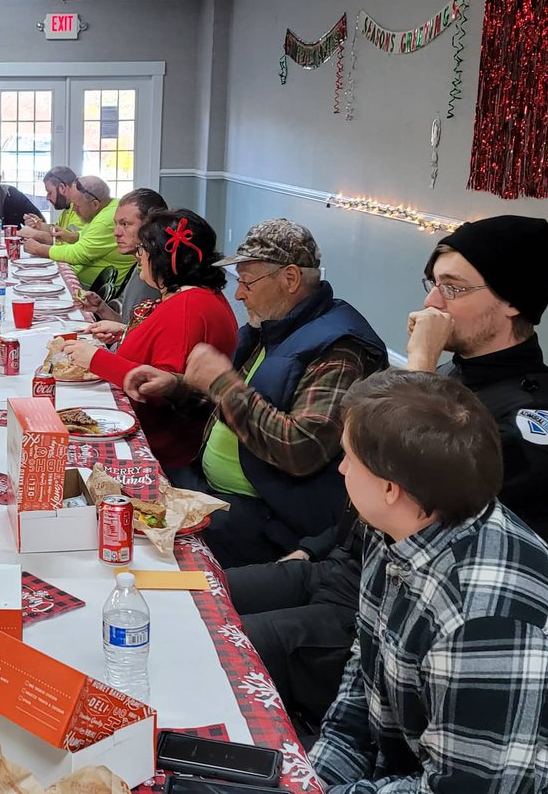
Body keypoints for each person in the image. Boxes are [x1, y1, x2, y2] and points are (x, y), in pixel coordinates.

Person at [228, 214, 548, 729]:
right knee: (196, 596)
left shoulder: (539, 419)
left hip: (402, 609)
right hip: (343, 568)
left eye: (453, 289)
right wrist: (315, 547)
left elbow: (423, 508)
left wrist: (421, 368)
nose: (431, 305)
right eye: (432, 285)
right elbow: (363, 484)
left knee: (214, 645)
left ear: (513, 301)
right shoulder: (451, 374)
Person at [310, 369, 548, 794]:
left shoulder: (491, 620)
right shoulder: (400, 531)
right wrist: (316, 783)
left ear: (393, 487)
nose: (341, 467)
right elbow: (363, 672)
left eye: (349, 456)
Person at [125, 218, 386, 567]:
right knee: (127, 493)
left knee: (140, 552)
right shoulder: (273, 327)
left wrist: (222, 383)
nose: (238, 293)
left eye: (247, 281)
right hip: (213, 487)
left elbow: (302, 448)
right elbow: (232, 406)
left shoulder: (338, 350)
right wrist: (176, 387)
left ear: (290, 279)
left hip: (268, 518)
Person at [63, 210, 237, 468]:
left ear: (163, 259)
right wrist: (125, 331)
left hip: (161, 448)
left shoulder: (187, 307)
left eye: (142, 250)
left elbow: (160, 387)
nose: (138, 256)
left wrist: (96, 359)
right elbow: (165, 340)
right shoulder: (194, 296)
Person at [22, 175, 137, 292]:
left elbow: (78, 254)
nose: (73, 210)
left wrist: (38, 248)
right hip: (86, 281)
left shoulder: (106, 220)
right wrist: (72, 236)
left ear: (95, 204)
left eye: (77, 205)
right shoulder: (109, 206)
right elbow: (91, 235)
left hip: (92, 289)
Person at [75, 187, 167, 322]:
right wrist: (101, 308)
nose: (116, 233)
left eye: (125, 224)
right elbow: (128, 327)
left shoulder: (158, 277)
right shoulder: (140, 264)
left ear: (151, 227)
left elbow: (138, 338)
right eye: (116, 224)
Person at [22, 165, 81, 243]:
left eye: (50, 192)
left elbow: (67, 241)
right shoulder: (67, 209)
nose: (47, 197)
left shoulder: (80, 210)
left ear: (62, 188)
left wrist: (35, 234)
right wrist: (38, 225)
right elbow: (57, 230)